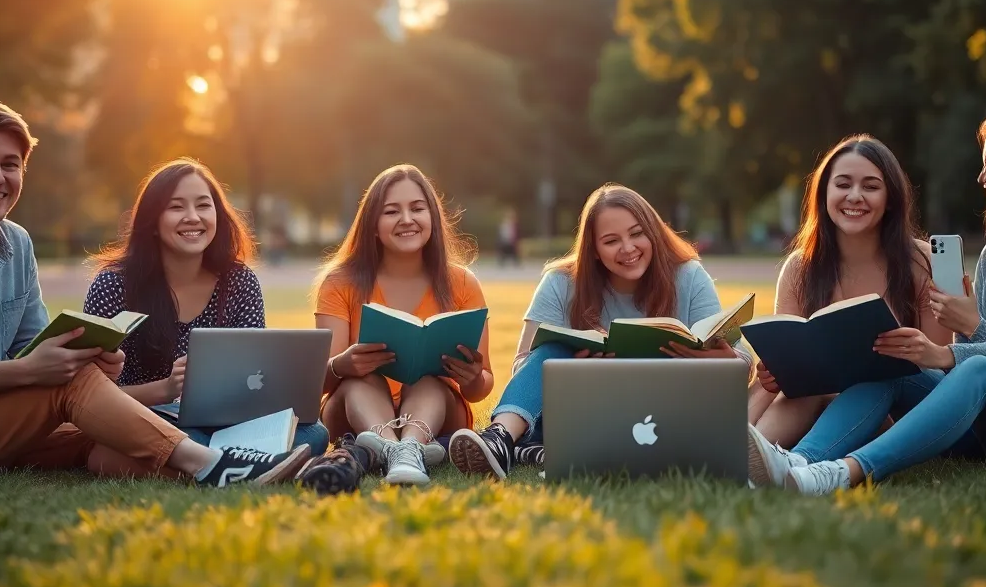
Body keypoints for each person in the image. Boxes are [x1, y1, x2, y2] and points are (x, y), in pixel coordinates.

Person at [0, 98, 308, 486]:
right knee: (69, 387)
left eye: (10, 164)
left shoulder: (15, 243)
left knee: (108, 442)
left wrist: (87, 358)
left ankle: (247, 472)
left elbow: (36, 348)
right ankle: (212, 464)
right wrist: (31, 371)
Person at [748, 109, 986, 495]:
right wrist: (967, 333)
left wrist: (946, 351)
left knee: (977, 371)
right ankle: (798, 463)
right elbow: (984, 361)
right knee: (889, 368)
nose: (982, 176)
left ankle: (843, 472)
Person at [449, 184, 751, 480]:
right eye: (611, 241)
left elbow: (744, 363)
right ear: (593, 249)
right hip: (583, 410)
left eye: (637, 234)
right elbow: (522, 365)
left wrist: (726, 358)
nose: (628, 248)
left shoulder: (689, 275)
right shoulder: (560, 282)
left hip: (666, 412)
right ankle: (500, 439)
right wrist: (577, 368)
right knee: (551, 352)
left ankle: (534, 449)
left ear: (653, 233)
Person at [83, 158, 330, 455]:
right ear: (152, 222)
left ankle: (222, 458)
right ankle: (233, 459)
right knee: (179, 441)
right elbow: (89, 397)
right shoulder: (114, 286)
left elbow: (254, 378)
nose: (192, 217)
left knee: (314, 433)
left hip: (227, 422)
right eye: (176, 207)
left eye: (203, 205)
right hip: (147, 418)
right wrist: (166, 389)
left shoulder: (239, 282)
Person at [748, 135, 951, 450]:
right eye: (842, 185)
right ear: (824, 193)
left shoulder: (924, 262)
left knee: (862, 384)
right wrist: (773, 375)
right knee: (804, 389)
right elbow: (790, 370)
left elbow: (938, 369)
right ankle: (747, 456)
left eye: (871, 187)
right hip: (817, 407)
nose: (854, 196)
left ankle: (766, 455)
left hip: (900, 410)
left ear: (891, 198)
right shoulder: (800, 267)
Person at [309, 164, 493, 487]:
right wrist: (342, 364)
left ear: (432, 219)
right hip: (352, 411)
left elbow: (480, 389)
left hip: (436, 410)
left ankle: (407, 447)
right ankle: (399, 450)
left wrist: (473, 376)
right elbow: (317, 384)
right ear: (373, 226)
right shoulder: (340, 283)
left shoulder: (462, 283)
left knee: (429, 381)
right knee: (361, 378)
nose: (407, 219)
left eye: (417, 208)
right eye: (392, 211)